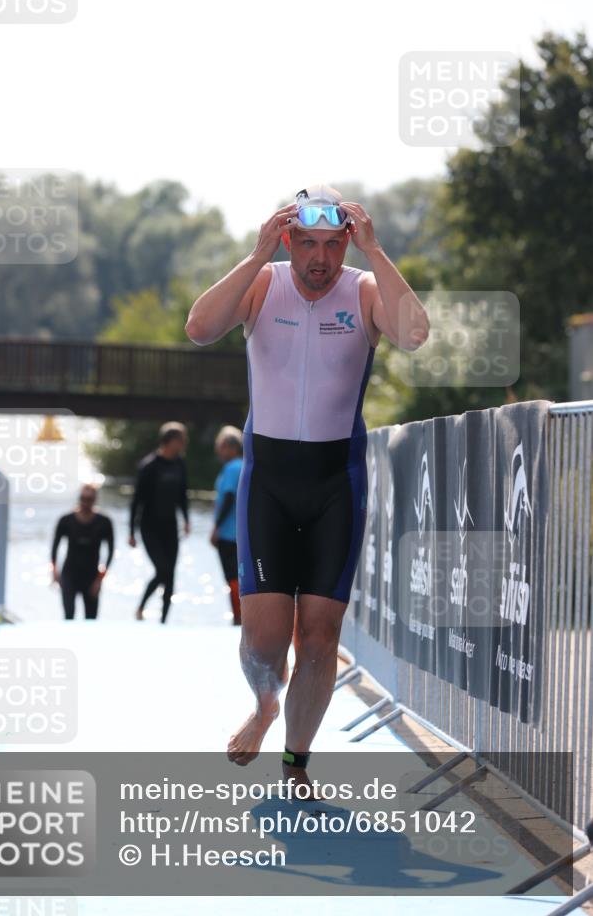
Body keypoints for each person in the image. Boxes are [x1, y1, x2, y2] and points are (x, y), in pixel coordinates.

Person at [185, 183, 430, 795]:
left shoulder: (365, 289)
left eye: (332, 243)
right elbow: (198, 328)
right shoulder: (264, 283)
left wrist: (374, 251)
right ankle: (266, 705)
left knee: (320, 638)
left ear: (345, 240)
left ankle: (296, 759)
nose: (319, 258)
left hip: (334, 483)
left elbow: (417, 335)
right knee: (264, 639)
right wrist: (254, 253)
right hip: (268, 481)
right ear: (289, 240)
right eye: (307, 243)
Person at [129, 421, 190, 623]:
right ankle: (141, 608)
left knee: (171, 575)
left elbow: (182, 495)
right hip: (149, 527)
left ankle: (163, 621)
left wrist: (187, 519)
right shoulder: (149, 466)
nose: (183, 444)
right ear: (169, 441)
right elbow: (136, 501)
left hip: (170, 526)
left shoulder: (179, 464)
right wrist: (131, 532)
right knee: (162, 569)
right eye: (181, 440)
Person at [51, 483, 114, 620]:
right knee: (69, 616)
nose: (86, 503)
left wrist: (99, 579)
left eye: (89, 499)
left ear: (95, 500)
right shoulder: (66, 520)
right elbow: (54, 548)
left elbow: (110, 553)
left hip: (92, 576)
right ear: (79, 498)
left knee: (91, 619)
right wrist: (54, 571)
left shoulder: (104, 522)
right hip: (69, 574)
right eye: (83, 498)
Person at [211, 425, 243, 626]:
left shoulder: (233, 468)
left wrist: (216, 526)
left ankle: (238, 617)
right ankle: (238, 616)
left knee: (232, 577)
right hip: (238, 533)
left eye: (221, 446)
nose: (219, 450)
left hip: (230, 533)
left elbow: (230, 497)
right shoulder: (241, 465)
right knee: (236, 577)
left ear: (232, 446)